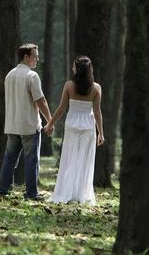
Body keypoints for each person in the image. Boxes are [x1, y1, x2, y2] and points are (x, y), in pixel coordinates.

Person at [44, 56, 104, 205]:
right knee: (85, 160)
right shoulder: (96, 88)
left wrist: (50, 124)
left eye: (74, 67)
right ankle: (81, 194)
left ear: (78, 70)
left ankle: (66, 192)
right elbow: (97, 112)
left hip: (71, 123)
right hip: (88, 126)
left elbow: (61, 108)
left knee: (69, 158)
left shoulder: (69, 86)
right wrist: (100, 132)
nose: (72, 69)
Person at [0, 43, 52, 200]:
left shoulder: (9, 75)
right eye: (35, 56)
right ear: (25, 57)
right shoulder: (31, 76)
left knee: (9, 160)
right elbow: (40, 100)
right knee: (31, 161)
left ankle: (3, 191)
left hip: (12, 125)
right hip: (28, 125)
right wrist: (50, 120)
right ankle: (31, 194)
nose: (37, 59)